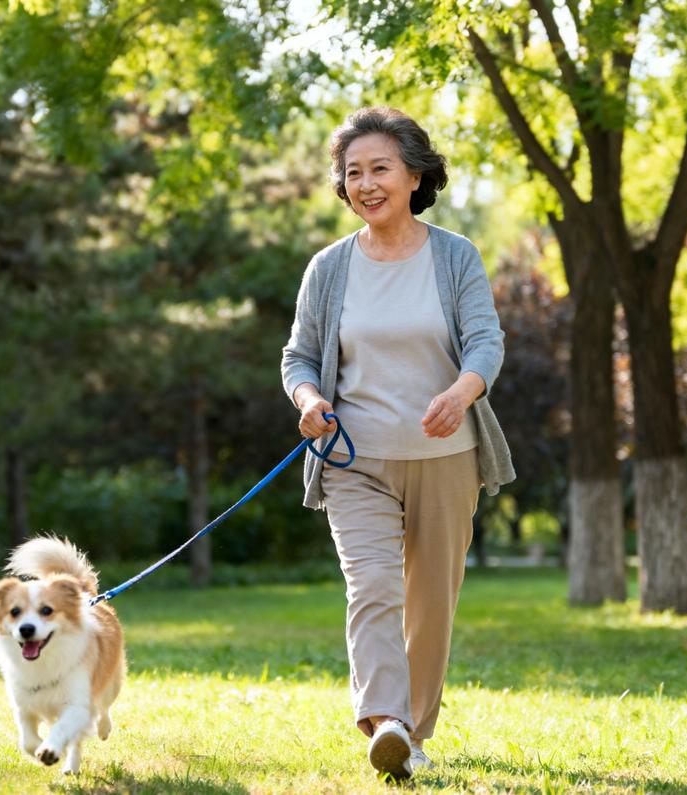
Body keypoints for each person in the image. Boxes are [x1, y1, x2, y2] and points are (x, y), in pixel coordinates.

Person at [280, 106, 515, 780]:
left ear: (414, 174)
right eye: (353, 172)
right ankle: (386, 721)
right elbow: (300, 356)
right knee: (373, 584)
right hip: (355, 458)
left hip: (445, 457)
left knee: (431, 600)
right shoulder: (328, 268)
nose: (365, 183)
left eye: (379, 168)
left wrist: (462, 391)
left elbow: (485, 340)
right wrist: (309, 399)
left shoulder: (454, 255)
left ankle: (414, 730)